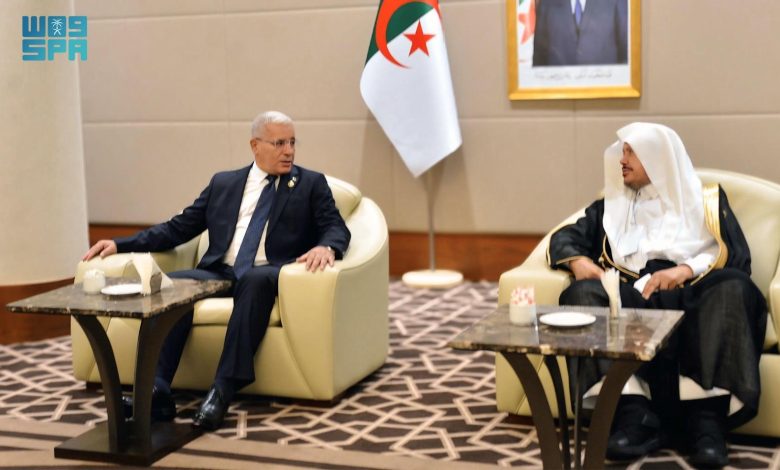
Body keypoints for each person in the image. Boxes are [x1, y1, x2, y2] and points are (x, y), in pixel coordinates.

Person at [83, 110, 350, 431]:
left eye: (292, 142)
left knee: (254, 279)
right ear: (255, 145)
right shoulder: (224, 183)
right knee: (169, 286)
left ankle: (221, 391)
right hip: (220, 271)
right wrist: (120, 243)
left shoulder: (310, 184)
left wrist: (327, 246)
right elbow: (178, 228)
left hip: (269, 272)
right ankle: (158, 391)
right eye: (279, 143)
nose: (289, 151)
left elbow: (335, 227)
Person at [548, 123, 766, 468]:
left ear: (658, 157)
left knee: (734, 287)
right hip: (632, 295)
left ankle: (706, 422)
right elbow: (565, 238)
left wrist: (683, 270)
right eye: (622, 152)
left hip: (693, 294)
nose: (622, 160)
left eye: (631, 152)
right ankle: (632, 414)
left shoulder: (707, 201)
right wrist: (578, 262)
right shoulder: (610, 207)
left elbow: (735, 255)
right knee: (582, 294)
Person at [533, 0, 628, 66]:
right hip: (560, 86)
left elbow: (627, 52)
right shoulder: (547, 2)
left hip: (605, 85)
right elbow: (539, 55)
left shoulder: (616, 1)